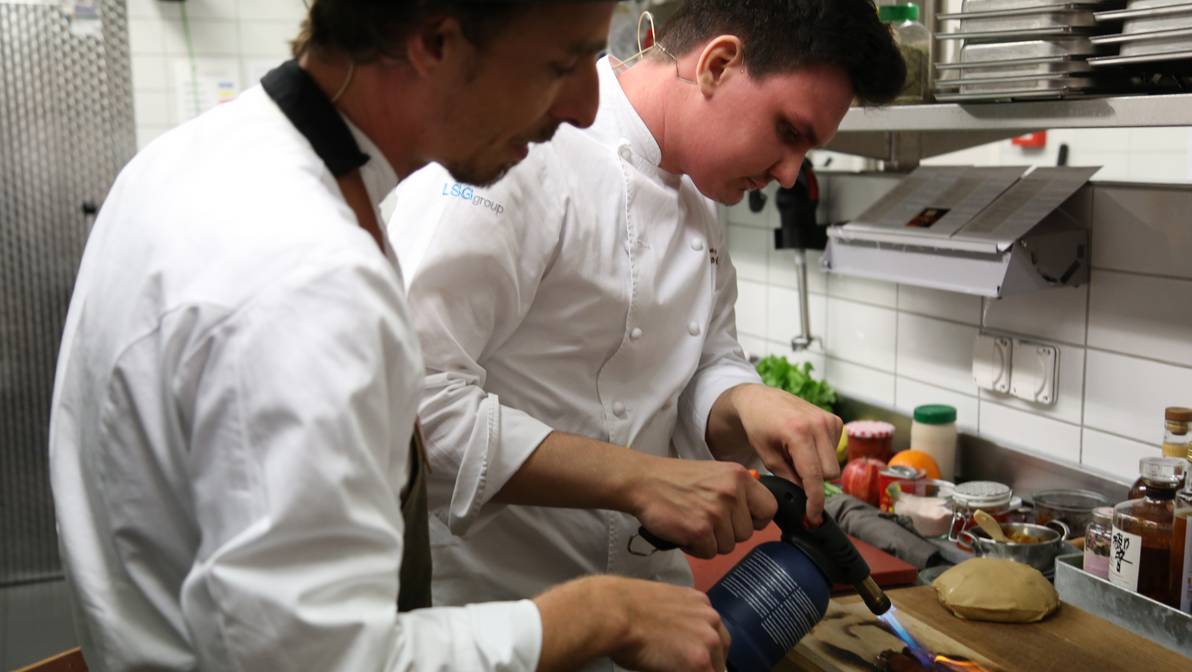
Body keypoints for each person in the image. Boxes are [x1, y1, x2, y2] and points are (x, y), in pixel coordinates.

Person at [48, 2, 734, 671]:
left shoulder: (197, 155)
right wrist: (600, 614)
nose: (584, 109)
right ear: (435, 42)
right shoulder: (308, 274)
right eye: (562, 64)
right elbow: (312, 659)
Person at [386, 0, 905, 661]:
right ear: (718, 64)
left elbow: (700, 359)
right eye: (788, 132)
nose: (788, 174)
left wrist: (745, 401)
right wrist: (643, 481)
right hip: (501, 619)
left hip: (657, 618)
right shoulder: (513, 153)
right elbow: (413, 409)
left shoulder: (698, 191)